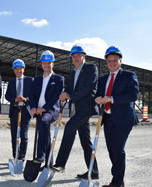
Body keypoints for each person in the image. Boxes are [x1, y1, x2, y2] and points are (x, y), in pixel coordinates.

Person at [53, 45, 99, 180]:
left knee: (69, 127)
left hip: (86, 108)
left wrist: (71, 96)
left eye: (78, 56)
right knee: (86, 141)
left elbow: (88, 88)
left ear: (83, 56)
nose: (75, 58)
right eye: (73, 56)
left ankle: (60, 164)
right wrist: (65, 93)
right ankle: (93, 171)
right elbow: (70, 88)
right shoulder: (73, 72)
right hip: (76, 109)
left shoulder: (91, 68)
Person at [95, 46, 139, 187]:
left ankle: (117, 183)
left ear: (120, 61)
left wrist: (112, 98)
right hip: (108, 118)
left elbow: (133, 95)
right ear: (106, 62)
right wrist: (98, 99)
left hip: (123, 118)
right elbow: (98, 94)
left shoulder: (129, 75)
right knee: (111, 149)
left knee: (118, 149)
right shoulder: (102, 79)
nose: (112, 63)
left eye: (115, 60)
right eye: (109, 61)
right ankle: (119, 180)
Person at [29, 50, 64, 166]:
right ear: (42, 64)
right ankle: (48, 161)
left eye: (49, 63)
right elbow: (32, 94)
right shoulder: (37, 80)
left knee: (44, 122)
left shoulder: (59, 79)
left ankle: (41, 155)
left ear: (53, 64)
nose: (46, 65)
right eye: (44, 63)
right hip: (38, 110)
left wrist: (44, 108)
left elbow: (55, 97)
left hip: (50, 110)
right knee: (43, 131)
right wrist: (33, 107)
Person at [5, 59, 34, 161]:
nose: (18, 71)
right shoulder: (11, 82)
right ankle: (15, 156)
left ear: (24, 69)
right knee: (14, 135)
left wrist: (25, 99)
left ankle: (21, 157)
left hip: (26, 110)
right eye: (16, 69)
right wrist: (14, 99)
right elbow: (7, 95)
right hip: (14, 110)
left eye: (20, 69)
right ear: (13, 70)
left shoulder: (30, 80)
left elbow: (34, 95)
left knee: (24, 136)